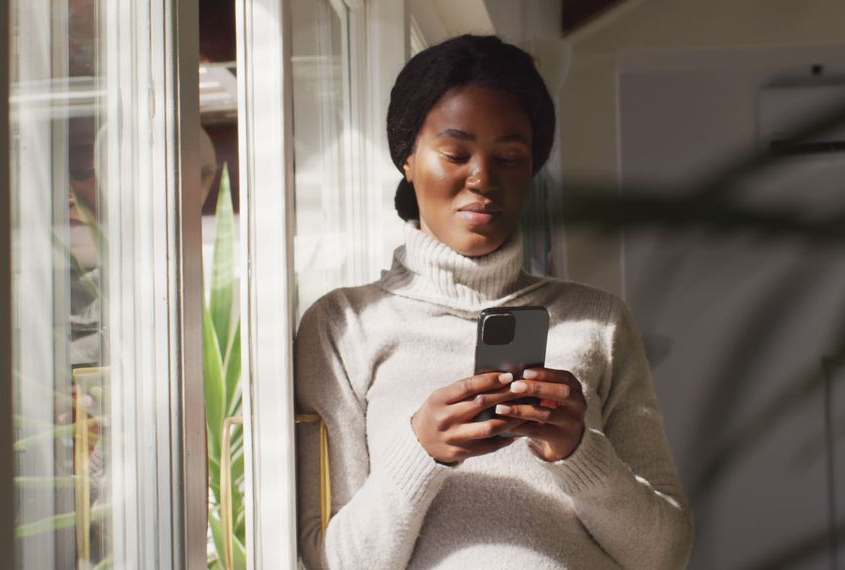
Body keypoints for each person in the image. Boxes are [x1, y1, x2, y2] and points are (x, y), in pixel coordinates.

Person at [295, 34, 693, 569]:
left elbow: (665, 555)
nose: (483, 179)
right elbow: (333, 563)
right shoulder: (344, 325)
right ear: (407, 160)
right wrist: (420, 452)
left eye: (509, 157)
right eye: (456, 153)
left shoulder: (599, 321)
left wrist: (579, 453)